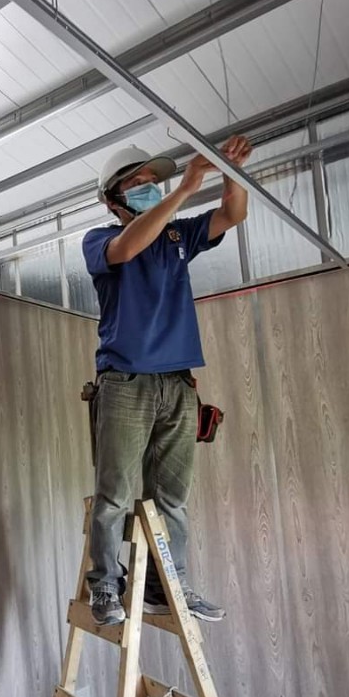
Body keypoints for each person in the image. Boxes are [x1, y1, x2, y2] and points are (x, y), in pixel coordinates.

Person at [82, 135, 252, 627]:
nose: (150, 186)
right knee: (114, 495)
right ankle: (105, 586)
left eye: (153, 181)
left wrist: (230, 171)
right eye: (138, 183)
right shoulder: (99, 240)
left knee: (172, 498)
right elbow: (128, 246)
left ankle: (167, 586)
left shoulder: (178, 237)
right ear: (112, 199)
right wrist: (185, 188)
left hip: (178, 384)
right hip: (125, 382)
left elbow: (232, 214)